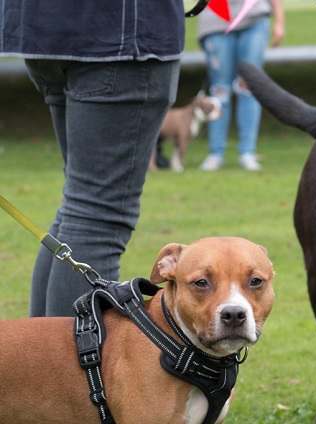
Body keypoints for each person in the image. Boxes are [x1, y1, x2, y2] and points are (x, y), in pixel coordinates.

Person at [0, 1, 185, 316]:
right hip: (118, 35)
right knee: (95, 216)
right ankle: (68, 363)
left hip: (47, 27)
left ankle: (43, 359)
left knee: (80, 208)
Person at [198, 0, 285, 171]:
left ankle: (247, 153)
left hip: (254, 17)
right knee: (219, 90)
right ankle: (216, 153)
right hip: (216, 18)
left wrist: (280, 21)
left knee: (249, 86)